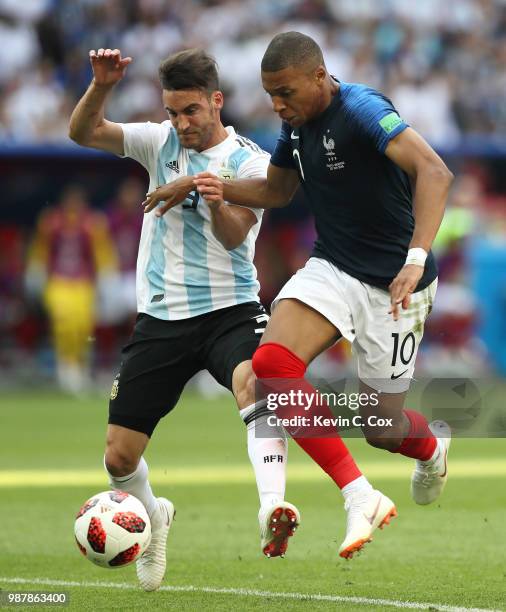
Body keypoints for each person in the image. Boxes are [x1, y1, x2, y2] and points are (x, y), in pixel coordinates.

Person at [188, 30, 454, 544]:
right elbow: (278, 189)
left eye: (285, 92)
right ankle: (359, 494)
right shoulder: (297, 123)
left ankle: (433, 448)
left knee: (382, 427)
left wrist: (416, 258)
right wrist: (215, 188)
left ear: (318, 76)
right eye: (270, 94)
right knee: (270, 365)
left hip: (396, 283)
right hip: (333, 266)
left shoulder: (361, 110)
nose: (277, 105)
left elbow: (435, 172)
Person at [26, 184, 117, 393]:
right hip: (58, 279)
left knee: (82, 324)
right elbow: (40, 247)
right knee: (63, 321)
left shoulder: (93, 223)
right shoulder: (51, 221)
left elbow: (102, 250)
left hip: (82, 280)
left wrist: (107, 273)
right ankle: (65, 363)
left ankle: (79, 364)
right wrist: (36, 269)